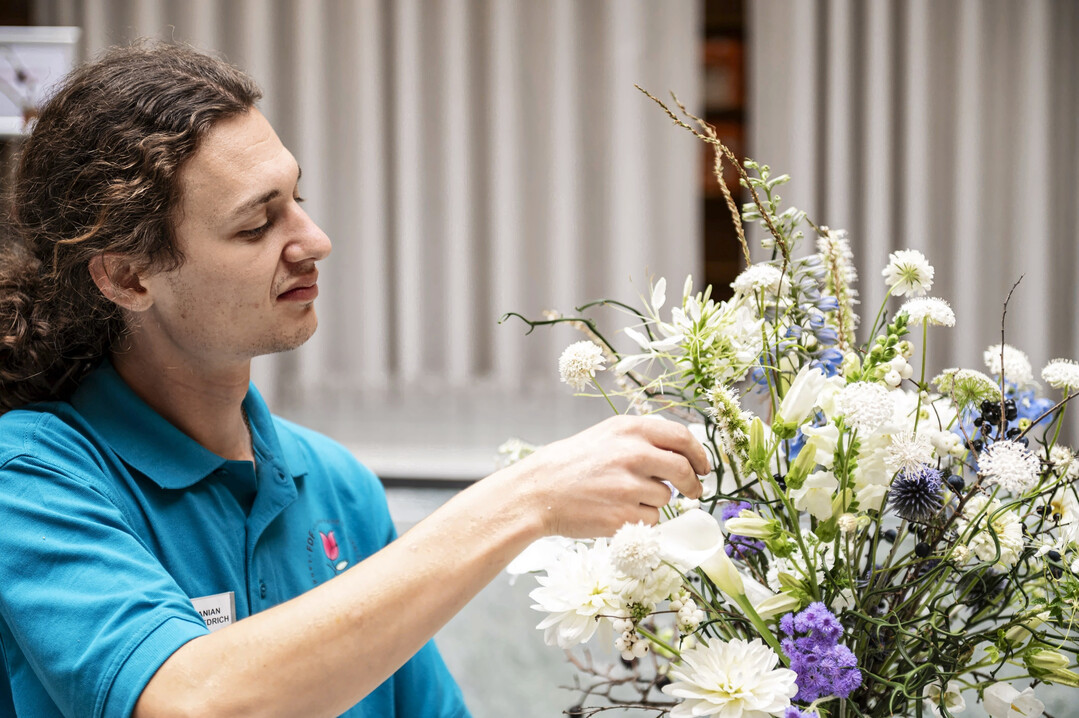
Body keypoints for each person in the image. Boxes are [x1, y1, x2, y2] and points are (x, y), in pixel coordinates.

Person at [0, 42, 708, 718]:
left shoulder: (334, 484)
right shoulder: (32, 477)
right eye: (257, 224)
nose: (313, 241)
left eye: (296, 199)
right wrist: (523, 500)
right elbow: (191, 701)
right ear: (128, 275)